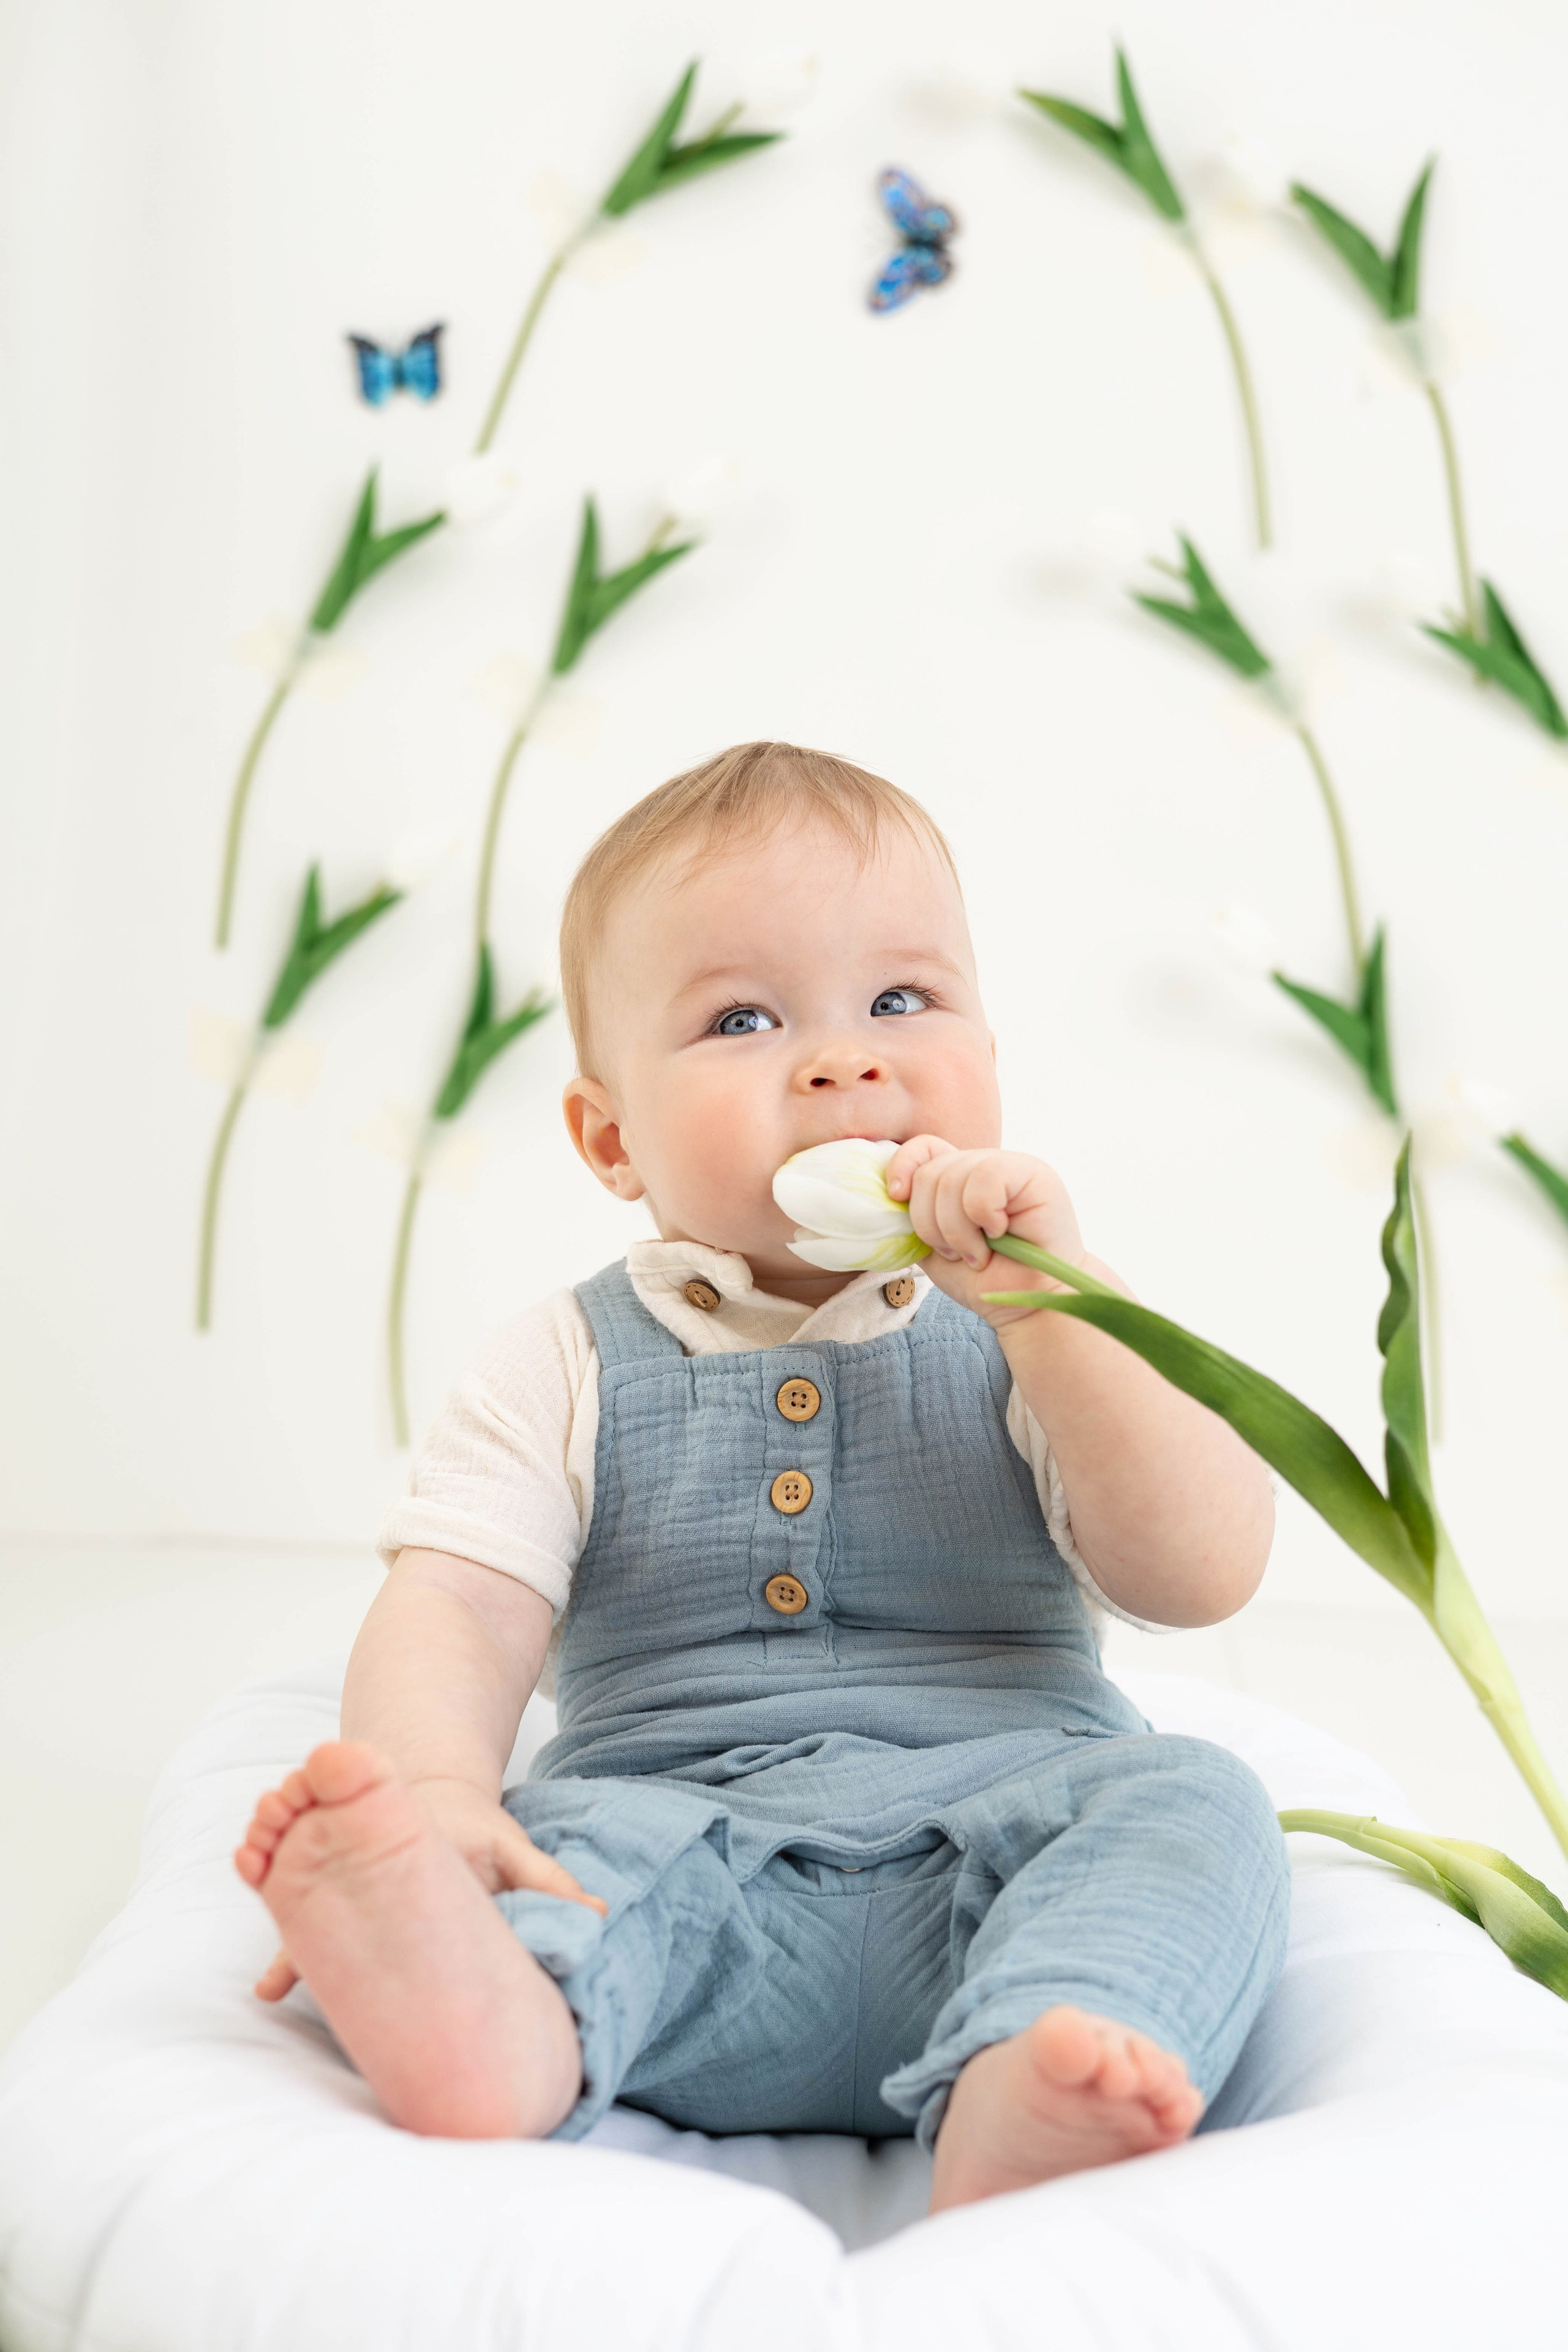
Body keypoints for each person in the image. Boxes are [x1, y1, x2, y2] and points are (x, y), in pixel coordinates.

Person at [234, 741, 1289, 2212]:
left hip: (1004, 1864)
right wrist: (433, 1787)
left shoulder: (1035, 1330)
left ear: (987, 1059)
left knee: (1197, 1805)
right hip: (688, 1862)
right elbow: (461, 1611)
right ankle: (492, 2034)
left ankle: (1036, 2079)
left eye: (901, 1002)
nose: (842, 1061)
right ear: (612, 1140)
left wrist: (1060, 1317)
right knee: (555, 1854)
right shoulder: (564, 1361)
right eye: (741, 1018)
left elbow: (1198, 1575)